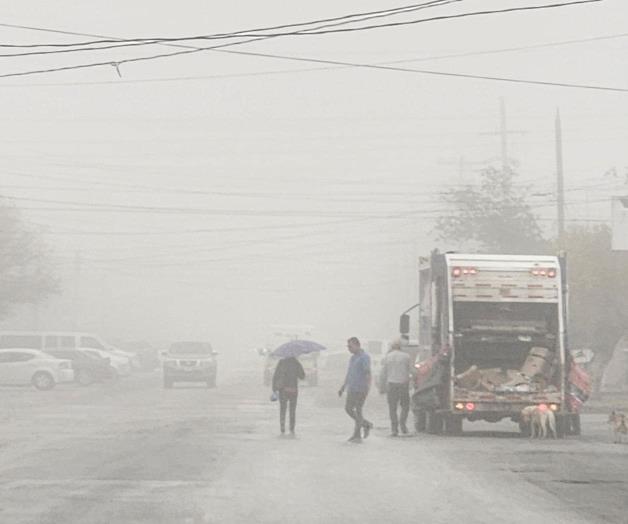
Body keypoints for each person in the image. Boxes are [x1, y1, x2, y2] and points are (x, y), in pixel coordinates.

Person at [338, 337, 373, 443]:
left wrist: (367, 387)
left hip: (361, 388)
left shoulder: (364, 357)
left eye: (350, 346)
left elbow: (367, 372)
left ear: (357, 345)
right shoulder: (353, 358)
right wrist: (343, 386)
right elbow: (349, 373)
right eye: (348, 346)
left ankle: (357, 435)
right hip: (352, 388)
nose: (349, 349)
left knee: (358, 410)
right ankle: (366, 424)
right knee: (348, 408)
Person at [379, 339, 412, 436]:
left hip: (391, 385)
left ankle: (394, 429)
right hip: (403, 384)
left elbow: (383, 373)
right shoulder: (406, 357)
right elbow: (411, 370)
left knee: (392, 408)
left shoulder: (387, 357)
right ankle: (403, 425)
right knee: (405, 406)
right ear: (400, 347)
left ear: (392, 347)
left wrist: (382, 387)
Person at [272, 356, 305, 436]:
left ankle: (282, 428)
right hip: (293, 390)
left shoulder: (281, 362)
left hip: (283, 390)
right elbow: (302, 376)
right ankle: (291, 428)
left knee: (283, 409)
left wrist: (274, 389)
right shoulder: (296, 363)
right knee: (292, 410)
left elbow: (275, 376)